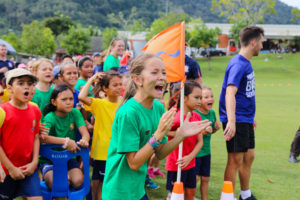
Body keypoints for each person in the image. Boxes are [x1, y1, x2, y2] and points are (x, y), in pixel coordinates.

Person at [101, 53, 211, 200]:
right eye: (155, 72)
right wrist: (158, 134)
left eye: (164, 73)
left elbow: (159, 153)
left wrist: (181, 135)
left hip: (137, 190)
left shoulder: (158, 108)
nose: (162, 77)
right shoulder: (128, 113)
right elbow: (133, 163)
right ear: (137, 79)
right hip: (119, 192)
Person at [219, 26, 264, 200]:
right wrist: (232, 121)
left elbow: (244, 93)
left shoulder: (246, 62)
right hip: (236, 119)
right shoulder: (238, 64)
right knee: (235, 159)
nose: (261, 45)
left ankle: (245, 195)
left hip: (244, 119)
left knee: (249, 156)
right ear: (253, 42)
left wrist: (249, 118)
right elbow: (230, 92)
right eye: (260, 42)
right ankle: (226, 197)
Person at [79, 71, 123, 200]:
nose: (119, 87)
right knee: (98, 182)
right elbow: (82, 96)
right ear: (105, 88)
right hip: (102, 152)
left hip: (117, 151)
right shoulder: (99, 104)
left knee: (105, 183)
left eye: (120, 84)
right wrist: (92, 79)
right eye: (115, 85)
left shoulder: (124, 104)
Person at [0, 68, 42, 199]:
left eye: (30, 84)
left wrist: (34, 162)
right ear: (10, 88)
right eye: (21, 83)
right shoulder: (3, 111)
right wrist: (11, 168)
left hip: (29, 169)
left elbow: (36, 137)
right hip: (6, 170)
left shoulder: (35, 110)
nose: (27, 87)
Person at [40, 84, 90, 189]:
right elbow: (43, 137)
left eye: (71, 99)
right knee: (59, 184)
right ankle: (46, 176)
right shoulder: (50, 117)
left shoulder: (75, 112)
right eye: (64, 99)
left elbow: (85, 133)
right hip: (49, 160)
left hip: (68, 157)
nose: (69, 102)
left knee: (78, 182)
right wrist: (65, 141)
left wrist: (85, 140)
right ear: (54, 102)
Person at [165, 81, 210, 200]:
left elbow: (200, 142)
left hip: (190, 163)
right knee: (174, 195)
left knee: (190, 193)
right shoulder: (176, 117)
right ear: (184, 98)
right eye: (196, 97)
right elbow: (162, 133)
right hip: (176, 164)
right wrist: (177, 133)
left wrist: (190, 157)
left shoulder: (197, 116)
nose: (200, 101)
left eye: (201, 98)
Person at [195, 86, 220, 200]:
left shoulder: (212, 113)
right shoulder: (195, 114)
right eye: (206, 97)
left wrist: (215, 129)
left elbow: (211, 131)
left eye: (211, 96)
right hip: (195, 153)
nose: (210, 99)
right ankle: (190, 197)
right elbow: (191, 135)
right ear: (199, 101)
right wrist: (204, 132)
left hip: (206, 152)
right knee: (194, 179)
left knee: (205, 179)